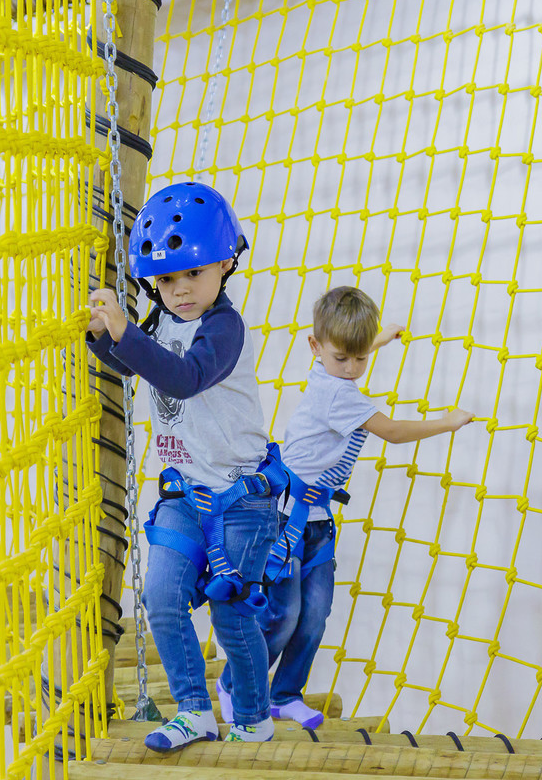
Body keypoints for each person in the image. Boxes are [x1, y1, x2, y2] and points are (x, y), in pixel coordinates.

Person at [217, 286, 476, 729]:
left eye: (361, 358)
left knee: (315, 616)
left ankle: (283, 694)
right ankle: (234, 684)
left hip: (317, 520)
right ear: (316, 348)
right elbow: (392, 432)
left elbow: (345, 351)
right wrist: (448, 422)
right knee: (283, 616)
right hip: (283, 519)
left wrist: (380, 337)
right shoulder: (340, 395)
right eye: (344, 359)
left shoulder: (329, 370)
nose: (353, 368)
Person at [87, 181, 280, 751]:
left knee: (230, 611)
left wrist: (125, 335)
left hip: (242, 500)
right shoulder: (160, 321)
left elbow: (183, 378)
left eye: (192, 274)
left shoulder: (224, 328)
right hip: (183, 496)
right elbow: (132, 365)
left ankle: (252, 717)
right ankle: (195, 710)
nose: (179, 291)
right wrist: (103, 336)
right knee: (162, 599)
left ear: (225, 262)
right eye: (166, 280)